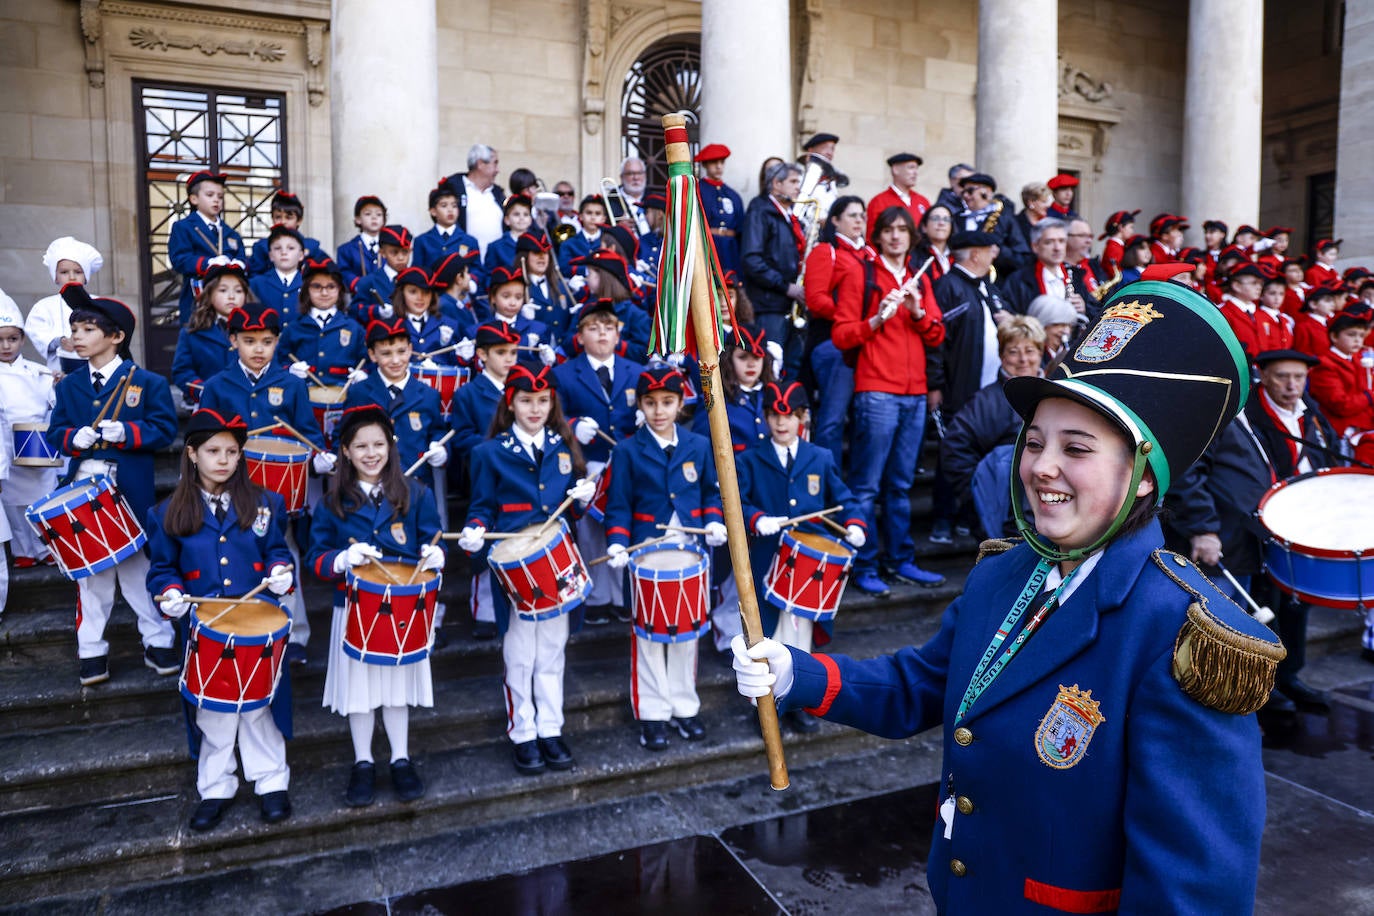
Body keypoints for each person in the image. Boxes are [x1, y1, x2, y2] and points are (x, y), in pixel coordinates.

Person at [733, 264, 1283, 914]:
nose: (1041, 466)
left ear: (1141, 476)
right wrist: (795, 673)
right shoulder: (1003, 573)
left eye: (1076, 449)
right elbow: (922, 685)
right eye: (1036, 441)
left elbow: (1194, 893)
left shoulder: (1181, 637)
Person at [146, 408, 296, 832]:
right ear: (192, 454)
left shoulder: (266, 503)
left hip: (255, 621)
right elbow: (162, 569)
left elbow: (277, 552)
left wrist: (282, 573)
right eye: (213, 450)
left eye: (232, 451)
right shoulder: (166, 512)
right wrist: (169, 594)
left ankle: (271, 781)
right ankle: (215, 786)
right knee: (212, 712)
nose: (224, 459)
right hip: (204, 625)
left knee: (259, 708)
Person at [1168, 349, 1339, 713]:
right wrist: (1203, 528)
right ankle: (1248, 691)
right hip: (1233, 538)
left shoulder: (1310, 417)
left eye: (1298, 377)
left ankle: (1287, 677)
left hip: (1292, 532)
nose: (1292, 386)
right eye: (1282, 377)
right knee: (1240, 620)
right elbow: (1188, 474)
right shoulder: (1224, 414)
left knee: (1292, 607)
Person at [457, 366, 595, 775]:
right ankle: (523, 732)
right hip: (515, 567)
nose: (535, 408)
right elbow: (481, 505)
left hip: (556, 562)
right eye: (525, 400)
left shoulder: (564, 446)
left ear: (552, 403)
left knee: (552, 652)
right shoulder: (488, 453)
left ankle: (551, 728)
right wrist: (475, 530)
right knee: (519, 655)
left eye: (542, 400)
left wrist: (583, 498)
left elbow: (573, 506)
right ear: (510, 403)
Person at [308, 405, 444, 808]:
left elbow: (434, 539)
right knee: (360, 692)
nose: (371, 453)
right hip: (353, 610)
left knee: (396, 692)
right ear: (345, 452)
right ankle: (363, 762)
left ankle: (401, 759)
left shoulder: (415, 492)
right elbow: (314, 557)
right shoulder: (332, 501)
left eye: (379, 444)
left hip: (404, 609)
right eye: (360, 446)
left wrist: (437, 557)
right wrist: (339, 561)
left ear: (391, 446)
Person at [46, 283, 179, 686]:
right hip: (86, 486)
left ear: (116, 337)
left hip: (130, 491)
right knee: (92, 578)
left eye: (86, 330)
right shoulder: (68, 385)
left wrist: (129, 433)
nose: (76, 338)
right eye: (74, 330)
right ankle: (91, 651)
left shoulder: (149, 383)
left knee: (139, 572)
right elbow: (56, 433)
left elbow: (165, 430)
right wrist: (73, 440)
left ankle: (159, 642)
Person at [603, 367, 727, 750]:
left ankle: (684, 706)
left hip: (690, 547)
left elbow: (709, 493)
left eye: (668, 403)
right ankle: (653, 712)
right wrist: (617, 542)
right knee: (649, 637)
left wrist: (715, 522)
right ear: (640, 405)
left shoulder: (698, 445)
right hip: (645, 550)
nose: (659, 411)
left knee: (686, 634)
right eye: (651, 403)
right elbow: (618, 505)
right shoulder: (626, 450)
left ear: (681, 404)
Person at [199, 301, 330, 663]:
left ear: (278, 342)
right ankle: (243, 631)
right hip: (231, 486)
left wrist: (318, 455)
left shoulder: (291, 384)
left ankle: (295, 633)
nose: (259, 349)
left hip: (278, 495)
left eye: (267, 341)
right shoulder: (217, 385)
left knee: (283, 558)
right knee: (235, 557)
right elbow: (204, 439)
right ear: (233, 340)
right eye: (250, 340)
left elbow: (307, 433)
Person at [736, 380, 865, 731]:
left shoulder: (819, 457)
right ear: (764, 418)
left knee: (799, 637)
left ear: (803, 417)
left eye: (790, 416)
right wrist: (756, 518)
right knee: (767, 636)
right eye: (775, 416)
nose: (782, 423)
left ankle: (796, 700)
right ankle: (763, 706)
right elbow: (736, 502)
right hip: (766, 562)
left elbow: (845, 499)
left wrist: (854, 524)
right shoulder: (749, 459)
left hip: (808, 567)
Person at [832, 206, 947, 596]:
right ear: (877, 236)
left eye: (903, 229)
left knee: (899, 485)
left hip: (914, 393)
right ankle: (863, 565)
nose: (896, 236)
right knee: (866, 486)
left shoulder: (922, 278)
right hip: (877, 390)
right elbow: (842, 336)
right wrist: (876, 321)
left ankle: (900, 561)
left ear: (912, 237)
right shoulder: (859, 272)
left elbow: (936, 335)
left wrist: (915, 312)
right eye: (888, 230)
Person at [551, 300, 645, 625]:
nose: (602, 334)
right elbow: (553, 416)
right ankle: (598, 596)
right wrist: (573, 425)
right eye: (593, 328)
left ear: (619, 334)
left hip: (627, 464)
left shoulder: (637, 371)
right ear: (580, 336)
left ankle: (622, 596)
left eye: (609, 328)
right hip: (589, 465)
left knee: (624, 528)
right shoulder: (563, 374)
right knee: (591, 531)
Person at [940, 316, 1045, 541]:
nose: (1023, 359)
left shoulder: (1057, 393)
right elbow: (954, 447)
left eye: (1030, 350)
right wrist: (979, 494)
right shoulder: (987, 402)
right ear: (1001, 356)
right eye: (1013, 351)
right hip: (1009, 525)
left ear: (1041, 353)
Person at [451, 321, 523, 640]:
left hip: (520, 476)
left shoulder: (522, 390)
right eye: (501, 353)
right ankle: (484, 611)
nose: (509, 359)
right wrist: (492, 445)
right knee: (487, 540)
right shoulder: (469, 392)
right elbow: (461, 436)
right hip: (485, 476)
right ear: (481, 355)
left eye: (513, 352)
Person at [803, 195, 871, 466]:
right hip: (834, 344)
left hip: (866, 342)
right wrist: (851, 316)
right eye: (852, 215)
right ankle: (826, 483)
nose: (859, 220)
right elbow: (816, 299)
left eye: (862, 215)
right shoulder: (825, 251)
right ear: (835, 220)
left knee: (863, 418)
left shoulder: (871, 254)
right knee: (833, 418)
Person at [0, 291, 57, 568]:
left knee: (41, 497)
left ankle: (44, 547)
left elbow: (53, 404)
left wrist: (58, 387)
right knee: (13, 502)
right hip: (5, 446)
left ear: (22, 339)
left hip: (36, 441)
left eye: (12, 339)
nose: (6, 346)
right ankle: (23, 549)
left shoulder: (39, 372)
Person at [742, 161, 806, 380]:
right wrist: (786, 286)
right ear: (776, 184)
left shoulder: (787, 215)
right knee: (771, 367)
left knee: (790, 366)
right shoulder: (761, 210)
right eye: (793, 181)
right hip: (768, 305)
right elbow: (752, 260)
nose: (799, 187)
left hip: (786, 305)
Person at [168, 170, 245, 324]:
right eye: (210, 195)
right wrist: (207, 263)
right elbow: (180, 259)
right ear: (194, 199)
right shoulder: (184, 227)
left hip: (229, 302)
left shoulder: (230, 232)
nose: (216, 200)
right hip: (197, 301)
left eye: (220, 197)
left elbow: (241, 257)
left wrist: (239, 264)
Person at [280, 259, 368, 387]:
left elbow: (368, 362)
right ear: (306, 290)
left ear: (339, 290)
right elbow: (279, 361)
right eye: (316, 286)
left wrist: (363, 374)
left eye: (331, 286)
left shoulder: (354, 328)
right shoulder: (294, 328)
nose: (324, 293)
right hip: (304, 399)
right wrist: (289, 369)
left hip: (344, 399)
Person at [172, 258, 249, 404]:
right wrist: (203, 391)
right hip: (209, 405)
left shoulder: (258, 329)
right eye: (223, 290)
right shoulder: (192, 332)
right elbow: (182, 371)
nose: (231, 296)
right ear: (209, 293)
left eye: (238, 291)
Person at [1308, 304, 1374, 467]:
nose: (1358, 340)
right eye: (1351, 335)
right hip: (1343, 433)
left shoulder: (1359, 359)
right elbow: (1341, 405)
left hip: (1365, 427)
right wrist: (1369, 396)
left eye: (1361, 335)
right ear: (1334, 336)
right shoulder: (1324, 363)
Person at [26, 237, 104, 374]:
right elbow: (36, 332)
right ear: (55, 276)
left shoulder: (99, 303)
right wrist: (59, 341)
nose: (71, 277)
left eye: (78, 272)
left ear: (86, 276)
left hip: (95, 371)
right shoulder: (44, 306)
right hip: (59, 372)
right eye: (64, 272)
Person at [999, 218, 1096, 322]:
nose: (1057, 248)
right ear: (1035, 246)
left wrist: (1085, 309)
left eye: (1061, 241)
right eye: (1049, 242)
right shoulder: (1018, 281)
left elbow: (1097, 312)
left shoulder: (1076, 277)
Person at [955, 172, 1029, 276]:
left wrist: (1000, 252)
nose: (966, 196)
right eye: (964, 192)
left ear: (987, 192)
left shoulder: (1005, 219)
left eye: (970, 191)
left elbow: (1023, 259)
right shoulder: (956, 219)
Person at [440, 144, 506, 256]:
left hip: (495, 262)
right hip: (465, 258)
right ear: (480, 164)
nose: (498, 170)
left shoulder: (497, 193)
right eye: (495, 163)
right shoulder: (455, 187)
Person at [246, 191, 329, 277]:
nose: (283, 222)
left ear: (299, 220)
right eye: (278, 217)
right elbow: (255, 277)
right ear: (272, 219)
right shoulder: (262, 247)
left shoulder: (311, 246)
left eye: (289, 217)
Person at [413, 185, 482, 281]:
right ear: (433, 211)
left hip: (461, 292)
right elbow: (417, 271)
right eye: (444, 206)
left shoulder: (469, 241)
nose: (450, 210)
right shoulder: (422, 241)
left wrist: (471, 283)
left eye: (454, 206)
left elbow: (477, 269)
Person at [696, 143, 745, 275]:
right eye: (713, 162)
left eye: (722, 162)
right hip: (707, 248)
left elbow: (740, 229)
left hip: (731, 250)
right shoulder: (698, 190)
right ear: (705, 165)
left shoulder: (733, 195)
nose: (719, 166)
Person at [866, 152, 930, 239]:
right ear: (895, 170)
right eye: (911, 167)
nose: (915, 173)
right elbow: (872, 237)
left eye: (916, 168)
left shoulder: (923, 201)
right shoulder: (879, 201)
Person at [247, 225, 306, 317]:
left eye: (291, 248)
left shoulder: (308, 283)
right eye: (277, 248)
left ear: (301, 255)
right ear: (270, 255)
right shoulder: (256, 284)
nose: (284, 252)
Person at [336, 195, 388, 295]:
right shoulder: (346, 249)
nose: (374, 218)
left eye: (379, 214)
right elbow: (344, 273)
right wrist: (358, 284)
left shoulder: (389, 248)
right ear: (358, 219)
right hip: (359, 300)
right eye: (368, 214)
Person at [482, 194, 536, 276]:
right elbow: (488, 276)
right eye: (516, 214)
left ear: (531, 220)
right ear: (507, 220)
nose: (521, 218)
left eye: (526, 214)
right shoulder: (496, 247)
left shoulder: (537, 244)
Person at [1025, 294, 1082, 369]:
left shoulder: (1073, 351)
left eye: (1070, 326)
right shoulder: (1029, 355)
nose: (1067, 331)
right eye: (1059, 325)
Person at [1294, 281, 1342, 358]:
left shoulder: (1333, 323)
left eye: (1333, 301)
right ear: (1313, 304)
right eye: (1327, 301)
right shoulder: (1303, 326)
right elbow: (1302, 354)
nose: (1332, 304)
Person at [912, 203, 954, 283]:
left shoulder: (958, 255)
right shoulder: (915, 255)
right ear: (924, 227)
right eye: (935, 218)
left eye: (946, 219)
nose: (941, 223)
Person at [1097, 209, 1137, 276]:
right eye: (1131, 227)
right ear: (1121, 227)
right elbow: (1114, 273)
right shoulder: (1113, 247)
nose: (1132, 231)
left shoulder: (1117, 245)